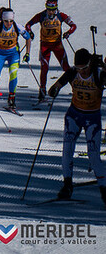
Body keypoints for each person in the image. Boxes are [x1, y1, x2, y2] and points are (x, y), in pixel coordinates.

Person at [48, 48, 106, 205]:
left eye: (84, 68)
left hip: (92, 118)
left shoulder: (99, 74)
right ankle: (67, 185)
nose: (82, 72)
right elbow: (57, 85)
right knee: (67, 150)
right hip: (74, 116)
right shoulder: (73, 72)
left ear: (90, 64)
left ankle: (103, 189)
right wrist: (54, 89)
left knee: (93, 156)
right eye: (79, 68)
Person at [25, 0, 76, 101]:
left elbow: (73, 25)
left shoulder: (61, 15)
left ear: (56, 8)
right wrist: (30, 32)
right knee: (44, 68)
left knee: (66, 67)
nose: (50, 12)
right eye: (48, 9)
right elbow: (28, 25)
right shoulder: (42, 15)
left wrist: (68, 33)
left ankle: (76, 90)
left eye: (52, 10)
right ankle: (42, 91)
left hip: (57, 45)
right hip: (45, 45)